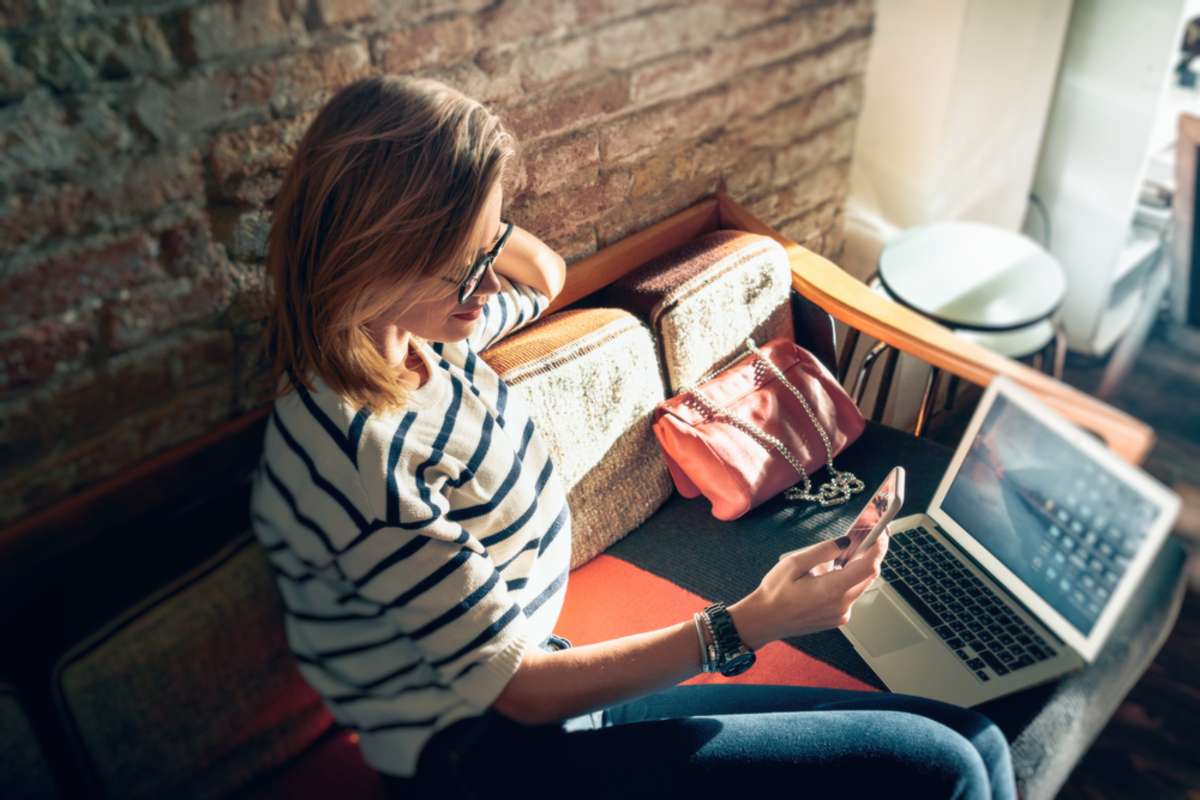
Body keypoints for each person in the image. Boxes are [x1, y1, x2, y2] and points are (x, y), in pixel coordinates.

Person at [250, 74, 1018, 800]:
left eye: (483, 251)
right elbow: (515, 691)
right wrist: (753, 621)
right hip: (488, 758)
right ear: (370, 256)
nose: (485, 287)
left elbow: (544, 274)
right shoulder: (352, 452)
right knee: (945, 769)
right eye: (460, 266)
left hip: (549, 690)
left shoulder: (430, 336)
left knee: (979, 740)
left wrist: (468, 221)